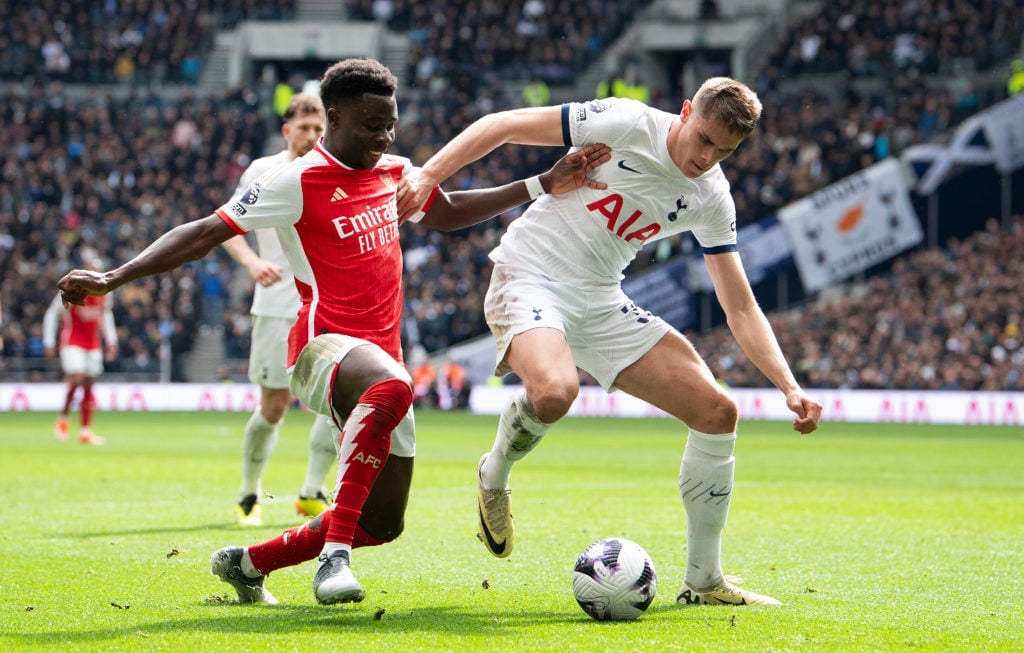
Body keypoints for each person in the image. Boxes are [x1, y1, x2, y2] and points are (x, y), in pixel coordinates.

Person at [57, 57, 611, 606]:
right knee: (393, 388)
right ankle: (333, 560)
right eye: (373, 124)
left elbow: (445, 213)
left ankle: (247, 564)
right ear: (336, 117)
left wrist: (542, 182)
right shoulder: (295, 181)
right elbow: (204, 232)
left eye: (390, 123)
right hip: (322, 350)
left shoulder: (393, 170)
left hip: (383, 359)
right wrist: (114, 276)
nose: (385, 134)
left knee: (384, 522)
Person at [399, 77, 823, 607]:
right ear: (686, 111)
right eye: (704, 140)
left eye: (726, 151)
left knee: (717, 412)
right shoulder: (626, 122)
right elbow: (503, 125)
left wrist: (789, 385)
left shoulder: (711, 195)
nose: (708, 158)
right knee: (555, 392)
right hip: (529, 274)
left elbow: (738, 304)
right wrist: (427, 174)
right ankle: (495, 472)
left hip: (599, 299)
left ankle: (704, 581)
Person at [219, 92, 336, 526]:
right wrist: (251, 261)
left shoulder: (334, 170)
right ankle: (250, 493)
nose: (311, 135)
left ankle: (311, 492)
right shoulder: (264, 171)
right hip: (276, 305)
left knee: (334, 402)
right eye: (303, 127)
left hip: (326, 307)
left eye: (318, 128)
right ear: (287, 130)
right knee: (273, 406)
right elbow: (225, 224)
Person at [43, 257, 118, 445]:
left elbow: (105, 315)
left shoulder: (105, 293)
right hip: (72, 340)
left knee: (89, 383)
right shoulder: (73, 288)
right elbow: (53, 314)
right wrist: (49, 341)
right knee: (76, 377)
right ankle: (64, 417)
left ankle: (85, 430)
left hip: (93, 342)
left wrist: (111, 341)